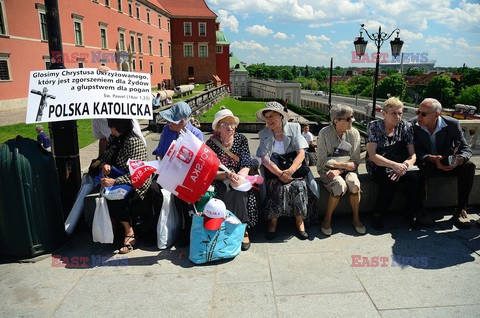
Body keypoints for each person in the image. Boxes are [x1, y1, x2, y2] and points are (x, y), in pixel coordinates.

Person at [411, 98, 476, 228]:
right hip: (427, 162)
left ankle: (461, 209)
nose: (419, 116)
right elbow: (413, 150)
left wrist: (460, 159)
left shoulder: (452, 124)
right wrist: (431, 158)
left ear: (437, 114)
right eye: (418, 112)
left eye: (423, 114)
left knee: (469, 166)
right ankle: (420, 211)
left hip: (448, 162)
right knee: (417, 170)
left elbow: (466, 148)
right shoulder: (412, 125)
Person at [99, 119, 161, 254]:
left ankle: (130, 233)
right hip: (117, 177)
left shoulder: (134, 142)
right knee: (109, 194)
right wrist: (104, 164)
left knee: (117, 196)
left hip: (136, 182)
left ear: (118, 127)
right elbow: (105, 157)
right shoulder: (113, 139)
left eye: (112, 127)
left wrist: (115, 181)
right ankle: (126, 229)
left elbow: (137, 174)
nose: (110, 130)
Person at [256, 101, 310, 240]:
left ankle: (299, 221)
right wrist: (280, 174)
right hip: (275, 172)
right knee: (277, 187)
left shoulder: (294, 128)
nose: (268, 120)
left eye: (271, 116)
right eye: (266, 117)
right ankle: (273, 221)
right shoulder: (264, 133)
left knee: (298, 186)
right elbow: (264, 158)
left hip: (293, 170)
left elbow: (301, 153)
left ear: (281, 116)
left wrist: (290, 171)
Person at [205, 109, 258, 251]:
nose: (230, 127)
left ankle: (243, 228)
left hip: (239, 176)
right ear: (218, 128)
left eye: (232, 123)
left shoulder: (241, 139)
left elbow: (246, 163)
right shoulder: (210, 144)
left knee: (240, 191)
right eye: (225, 124)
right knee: (223, 190)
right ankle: (226, 228)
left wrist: (240, 177)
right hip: (220, 178)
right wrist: (226, 175)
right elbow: (209, 171)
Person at [152, 101, 203, 246]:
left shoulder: (195, 134)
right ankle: (154, 229)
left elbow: (196, 162)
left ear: (181, 121)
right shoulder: (167, 131)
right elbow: (161, 152)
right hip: (166, 172)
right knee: (152, 189)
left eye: (171, 120)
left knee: (183, 194)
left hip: (186, 176)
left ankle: (185, 231)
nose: (168, 122)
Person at [366, 97, 419, 231]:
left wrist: (405, 166)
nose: (398, 116)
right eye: (393, 113)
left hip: (400, 163)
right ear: (384, 113)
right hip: (378, 164)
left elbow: (412, 154)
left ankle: (410, 213)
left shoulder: (406, 126)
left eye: (400, 113)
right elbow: (372, 156)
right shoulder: (374, 126)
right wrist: (394, 166)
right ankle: (377, 213)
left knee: (414, 179)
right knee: (389, 178)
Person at [317, 104, 365, 236]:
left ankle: (356, 218)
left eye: (352, 117)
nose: (352, 121)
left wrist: (339, 168)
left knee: (354, 185)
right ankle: (327, 218)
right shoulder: (324, 133)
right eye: (349, 118)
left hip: (345, 170)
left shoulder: (354, 133)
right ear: (336, 121)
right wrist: (345, 165)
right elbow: (322, 162)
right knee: (339, 185)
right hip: (327, 171)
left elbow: (355, 161)